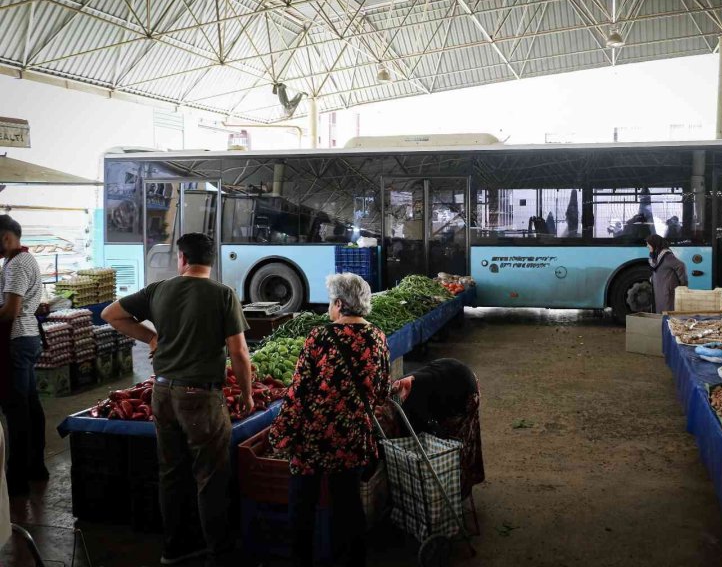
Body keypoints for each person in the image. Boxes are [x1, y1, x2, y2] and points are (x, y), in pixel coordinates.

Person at [102, 233, 253, 567]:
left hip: (163, 393)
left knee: (171, 473)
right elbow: (239, 352)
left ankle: (173, 549)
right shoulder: (222, 294)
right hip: (200, 397)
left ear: (182, 259)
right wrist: (245, 393)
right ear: (211, 261)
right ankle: (220, 554)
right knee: (210, 477)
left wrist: (151, 336)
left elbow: (111, 314)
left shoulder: (159, 290)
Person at [268, 273, 390, 567]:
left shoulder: (319, 337)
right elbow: (383, 390)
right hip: (352, 436)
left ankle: (301, 560)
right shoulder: (377, 337)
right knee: (348, 505)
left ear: (338, 303)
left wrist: (280, 433)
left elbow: (298, 391)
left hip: (312, 436)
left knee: (302, 505)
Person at [383, 358, 485, 499]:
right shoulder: (399, 392)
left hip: (465, 389)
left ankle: (459, 488)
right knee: (443, 440)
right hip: (452, 376)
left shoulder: (407, 398)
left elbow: (421, 429)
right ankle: (453, 485)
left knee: (456, 445)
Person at [0, 215, 48, 497]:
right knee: (29, 405)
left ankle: (17, 479)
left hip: (17, 339)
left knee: (16, 409)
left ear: (6, 237)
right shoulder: (21, 260)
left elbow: (10, 311)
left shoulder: (17, 264)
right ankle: (35, 467)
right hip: (27, 338)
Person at [646, 234, 687, 313]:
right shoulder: (656, 255)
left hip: (667, 288)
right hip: (660, 288)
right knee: (661, 309)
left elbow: (681, 266)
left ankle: (667, 325)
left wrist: (683, 283)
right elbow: (657, 268)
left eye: (648, 244)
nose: (647, 246)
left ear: (655, 244)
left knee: (667, 310)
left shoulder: (667, 256)